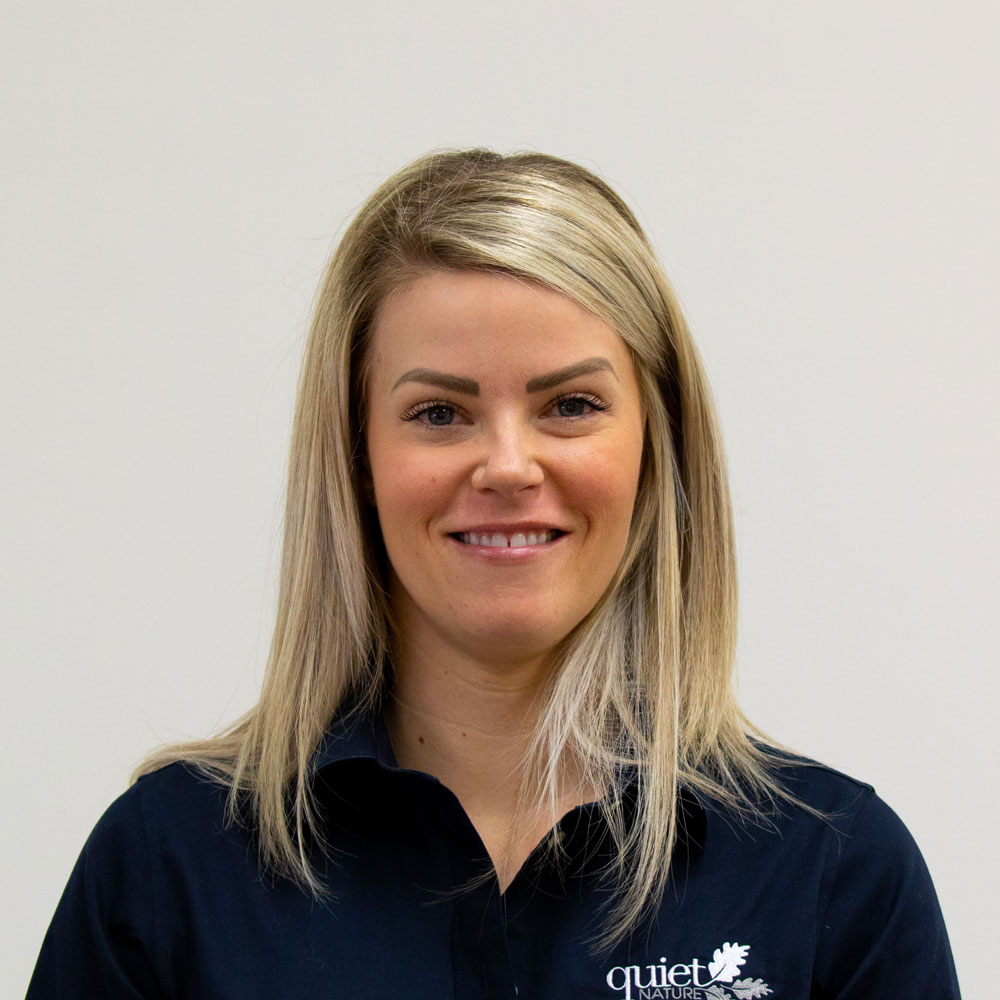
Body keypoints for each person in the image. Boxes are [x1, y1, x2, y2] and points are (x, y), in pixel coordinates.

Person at [26, 149, 960, 999]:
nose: (509, 467)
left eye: (572, 404)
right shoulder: (166, 872)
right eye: (438, 413)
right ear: (356, 455)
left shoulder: (835, 876)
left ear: (656, 447)